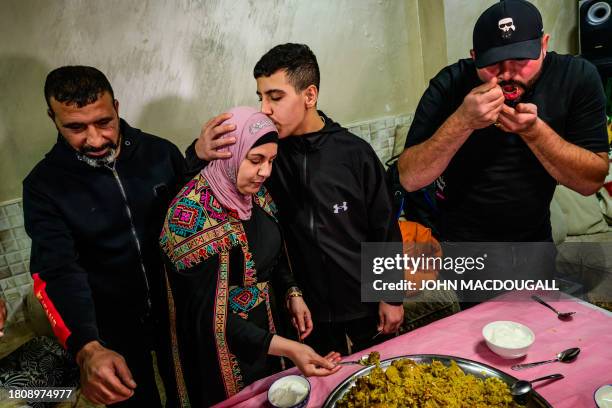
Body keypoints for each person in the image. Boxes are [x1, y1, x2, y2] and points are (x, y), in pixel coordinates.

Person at [190, 44, 404, 356]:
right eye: (261, 98)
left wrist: (392, 296)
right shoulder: (267, 157)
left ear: (309, 96)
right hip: (304, 309)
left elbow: (384, 230)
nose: (265, 109)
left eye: (275, 97)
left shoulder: (354, 154)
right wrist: (196, 153)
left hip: (364, 302)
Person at [22, 66, 185, 407]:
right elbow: (58, 270)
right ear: (53, 118)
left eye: (104, 122)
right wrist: (87, 347)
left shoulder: (161, 154)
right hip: (110, 328)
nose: (95, 139)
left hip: (178, 311)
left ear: (118, 108)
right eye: (75, 127)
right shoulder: (44, 186)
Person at [160, 106, 341, 407]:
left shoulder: (255, 195)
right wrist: (289, 348)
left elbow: (273, 256)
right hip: (222, 351)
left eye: (271, 161)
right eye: (255, 160)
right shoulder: (189, 217)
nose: (266, 172)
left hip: (268, 329)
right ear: (227, 154)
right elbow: (206, 317)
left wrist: (292, 292)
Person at [398, 0, 609, 243]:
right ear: (474, 57)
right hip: (458, 240)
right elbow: (409, 179)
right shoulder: (450, 83)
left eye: (521, 59)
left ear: (543, 45)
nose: (507, 73)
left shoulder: (577, 77)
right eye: (493, 62)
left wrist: (534, 132)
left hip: (534, 239)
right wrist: (463, 121)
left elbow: (591, 182)